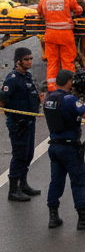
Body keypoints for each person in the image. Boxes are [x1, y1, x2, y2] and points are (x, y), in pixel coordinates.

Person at [42, 68, 85, 230]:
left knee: (56, 181)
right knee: (78, 181)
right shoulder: (68, 100)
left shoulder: (48, 99)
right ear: (69, 82)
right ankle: (83, 218)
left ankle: (53, 216)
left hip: (54, 147)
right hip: (70, 147)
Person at [1, 47, 42, 201]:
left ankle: (23, 184)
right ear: (18, 61)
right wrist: (12, 115)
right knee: (19, 156)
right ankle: (13, 190)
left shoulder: (27, 76)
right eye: (26, 59)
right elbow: (2, 99)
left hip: (29, 122)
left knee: (28, 154)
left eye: (31, 58)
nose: (30, 61)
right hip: (18, 124)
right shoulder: (12, 79)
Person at [36, 0, 82, 90]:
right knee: (68, 61)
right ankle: (69, 86)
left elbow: (40, 13)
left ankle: (52, 87)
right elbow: (79, 10)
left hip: (50, 34)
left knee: (52, 62)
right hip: (65, 35)